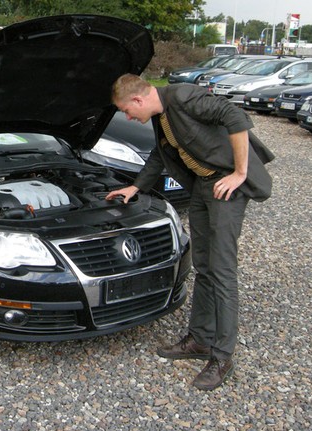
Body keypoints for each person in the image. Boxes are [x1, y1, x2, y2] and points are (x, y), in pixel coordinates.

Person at [106, 74, 274, 391]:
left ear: (138, 99)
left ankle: (222, 357)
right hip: (203, 187)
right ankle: (200, 340)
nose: (128, 117)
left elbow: (235, 116)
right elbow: (161, 153)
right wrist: (135, 186)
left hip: (227, 186)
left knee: (223, 270)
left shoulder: (182, 97)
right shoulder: (160, 115)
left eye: (127, 111)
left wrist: (240, 173)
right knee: (204, 266)